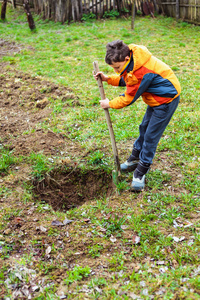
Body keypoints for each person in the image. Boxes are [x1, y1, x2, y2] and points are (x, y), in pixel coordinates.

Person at [94, 40, 181, 191]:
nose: (116, 71)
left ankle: (141, 170)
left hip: (166, 100)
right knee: (144, 128)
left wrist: (110, 103)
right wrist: (108, 79)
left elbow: (128, 97)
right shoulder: (132, 60)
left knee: (151, 136)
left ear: (126, 59)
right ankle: (135, 159)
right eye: (113, 68)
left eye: (117, 67)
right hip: (155, 99)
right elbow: (125, 78)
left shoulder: (141, 71)